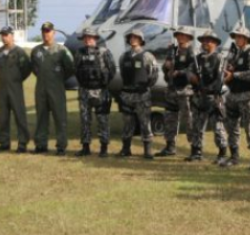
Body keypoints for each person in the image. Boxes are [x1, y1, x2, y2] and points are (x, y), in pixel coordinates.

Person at [222, 26, 250, 170]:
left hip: (247, 96)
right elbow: (227, 71)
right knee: (231, 127)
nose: (237, 39)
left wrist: (234, 75)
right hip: (233, 95)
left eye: (240, 37)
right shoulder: (234, 54)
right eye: (236, 37)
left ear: (246, 39)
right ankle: (234, 157)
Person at [31, 21, 76, 155]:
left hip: (57, 88)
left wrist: (60, 78)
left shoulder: (62, 51)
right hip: (41, 88)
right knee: (41, 117)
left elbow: (70, 68)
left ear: (54, 33)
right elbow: (34, 68)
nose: (46, 34)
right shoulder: (36, 51)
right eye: (44, 31)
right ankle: (41, 144)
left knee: (59, 117)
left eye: (48, 31)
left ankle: (61, 146)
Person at [74, 27, 116, 157]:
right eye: (86, 37)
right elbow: (76, 69)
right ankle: (85, 147)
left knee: (102, 120)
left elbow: (112, 70)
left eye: (90, 37)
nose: (88, 40)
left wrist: (103, 82)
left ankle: (104, 148)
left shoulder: (104, 52)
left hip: (100, 91)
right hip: (84, 91)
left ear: (96, 39)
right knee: (85, 120)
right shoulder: (79, 53)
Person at [188, 30, 228, 163]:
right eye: (204, 40)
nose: (205, 43)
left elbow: (220, 78)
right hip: (199, 96)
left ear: (215, 43)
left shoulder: (219, 58)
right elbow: (189, 72)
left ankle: (222, 153)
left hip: (214, 97)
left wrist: (210, 90)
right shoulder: (198, 59)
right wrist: (192, 78)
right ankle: (196, 152)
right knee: (197, 126)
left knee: (217, 126)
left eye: (208, 40)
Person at [118, 29, 159, 159]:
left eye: (136, 37)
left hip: (142, 95)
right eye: (131, 37)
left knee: (145, 122)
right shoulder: (123, 57)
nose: (133, 39)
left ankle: (147, 150)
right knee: (127, 123)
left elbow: (154, 75)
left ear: (141, 40)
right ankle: (126, 149)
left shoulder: (147, 56)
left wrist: (144, 88)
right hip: (127, 95)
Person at [157, 27, 197, 157]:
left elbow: (194, 70)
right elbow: (166, 68)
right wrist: (166, 67)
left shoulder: (192, 52)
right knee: (170, 118)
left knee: (189, 120)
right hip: (172, 89)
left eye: (184, 35)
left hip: (185, 90)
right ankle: (170, 146)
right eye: (179, 35)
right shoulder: (173, 50)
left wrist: (179, 72)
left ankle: (195, 148)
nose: (181, 37)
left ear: (189, 37)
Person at [0, 26, 33, 153]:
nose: (4, 37)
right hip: (2, 89)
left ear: (12, 36)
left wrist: (17, 79)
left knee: (19, 115)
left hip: (15, 87)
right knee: (3, 116)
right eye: (2, 35)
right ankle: (4, 142)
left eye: (6, 35)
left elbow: (27, 68)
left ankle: (22, 143)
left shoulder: (19, 52)